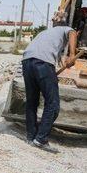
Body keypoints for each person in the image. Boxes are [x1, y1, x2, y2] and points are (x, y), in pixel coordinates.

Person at [21, 11, 77, 153]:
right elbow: (73, 33)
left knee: (32, 102)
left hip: (27, 61)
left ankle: (30, 136)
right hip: (43, 64)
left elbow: (53, 54)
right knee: (53, 104)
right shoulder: (66, 29)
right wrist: (72, 55)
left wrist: (58, 65)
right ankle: (40, 140)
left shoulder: (46, 33)